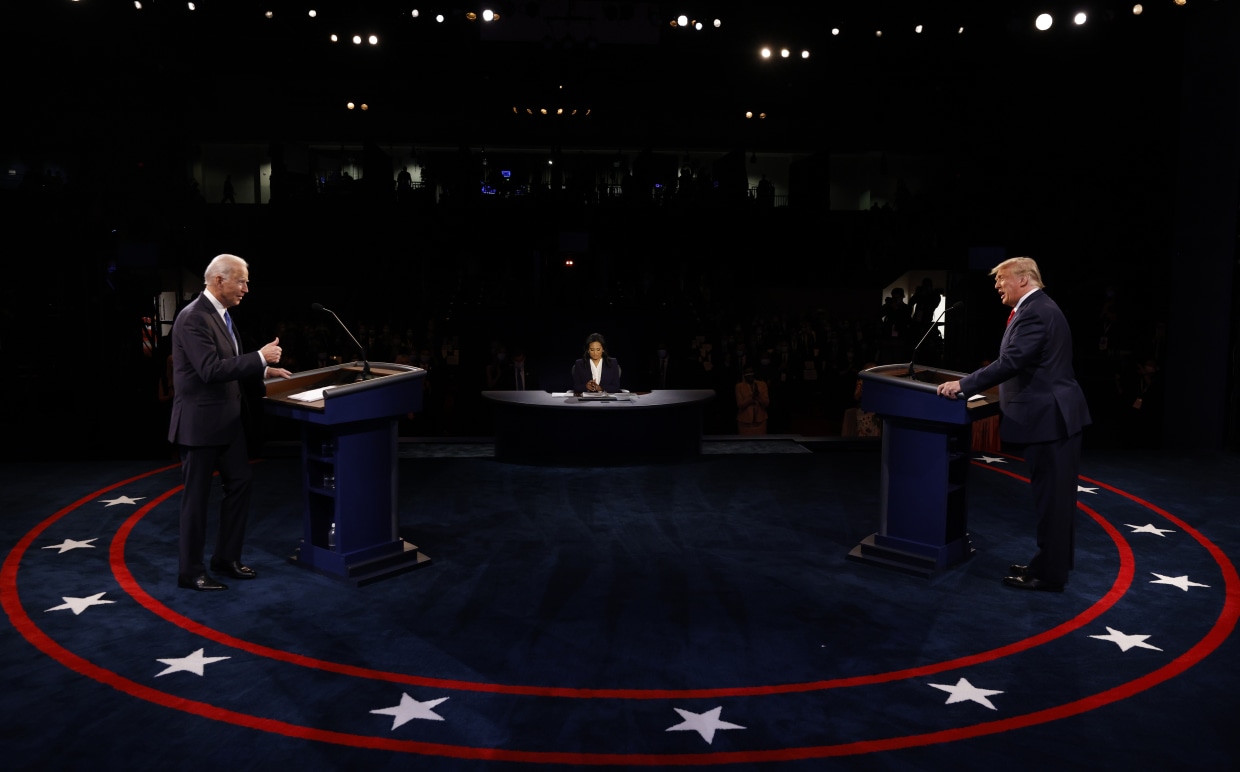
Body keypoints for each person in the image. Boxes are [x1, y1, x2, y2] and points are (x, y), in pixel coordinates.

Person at [936, 257, 1091, 592]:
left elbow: (1011, 361)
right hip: (1053, 418)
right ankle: (1050, 565)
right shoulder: (1039, 308)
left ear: (1023, 278)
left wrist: (963, 386)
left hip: (1050, 420)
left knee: (1053, 501)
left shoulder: (1036, 311)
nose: (996, 286)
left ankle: (1048, 574)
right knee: (1054, 500)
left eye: (1001, 279)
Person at [168, 254, 292, 591]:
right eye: (241, 281)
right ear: (219, 280)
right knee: (195, 500)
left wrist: (264, 370)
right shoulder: (193, 317)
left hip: (228, 422)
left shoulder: (221, 315)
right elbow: (209, 370)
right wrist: (259, 357)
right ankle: (190, 572)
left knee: (240, 483)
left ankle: (225, 558)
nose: (246, 288)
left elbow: (230, 361)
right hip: (200, 424)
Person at [735, 365, 770, 435]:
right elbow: (740, 404)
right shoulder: (739, 386)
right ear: (744, 374)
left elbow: (766, 403)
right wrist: (751, 397)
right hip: (744, 422)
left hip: (760, 420)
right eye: (747, 373)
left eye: (751, 372)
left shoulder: (762, 385)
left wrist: (758, 396)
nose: (749, 375)